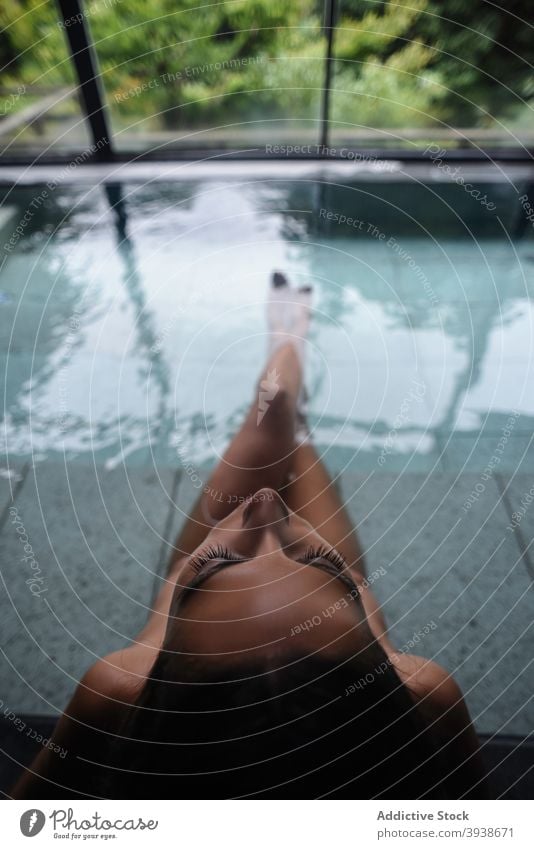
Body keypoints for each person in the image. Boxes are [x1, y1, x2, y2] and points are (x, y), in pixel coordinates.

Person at [12, 273, 488, 799]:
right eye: (329, 570)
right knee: (286, 428)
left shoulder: (116, 693)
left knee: (271, 416)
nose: (267, 507)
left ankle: (285, 352)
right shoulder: (424, 693)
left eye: (213, 568)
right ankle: (290, 370)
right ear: (390, 673)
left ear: (157, 666)